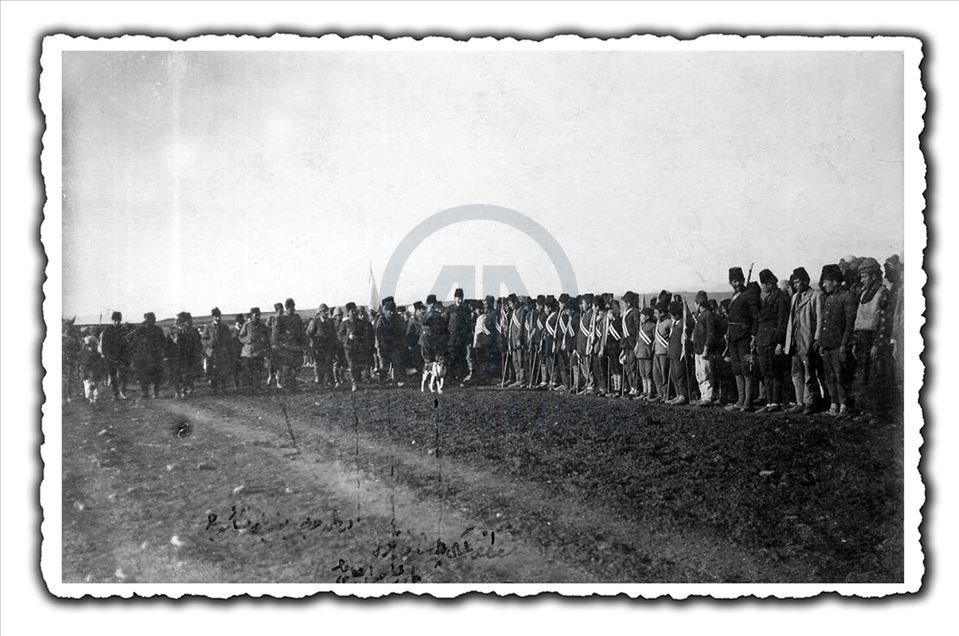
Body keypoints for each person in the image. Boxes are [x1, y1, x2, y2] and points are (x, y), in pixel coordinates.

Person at [852, 257, 893, 414]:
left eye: (865, 276)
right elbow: (859, 319)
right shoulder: (863, 294)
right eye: (861, 277)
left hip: (875, 340)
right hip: (862, 340)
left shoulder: (883, 294)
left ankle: (878, 413)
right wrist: (855, 343)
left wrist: (877, 344)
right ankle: (866, 411)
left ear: (874, 276)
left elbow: (884, 322)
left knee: (876, 377)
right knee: (863, 376)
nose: (862, 280)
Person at [818, 264, 858, 417]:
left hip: (838, 345)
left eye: (827, 281)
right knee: (830, 377)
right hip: (828, 344)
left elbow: (849, 324)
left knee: (841, 376)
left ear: (835, 282)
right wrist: (822, 342)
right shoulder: (828, 298)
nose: (824, 284)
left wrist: (844, 345)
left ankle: (844, 406)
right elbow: (825, 323)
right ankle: (834, 405)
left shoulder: (847, 297)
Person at [784, 267, 824, 414]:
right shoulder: (794, 298)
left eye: (798, 282)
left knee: (809, 372)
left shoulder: (816, 296)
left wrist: (817, 338)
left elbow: (820, 319)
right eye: (793, 283)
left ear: (806, 281)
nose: (795, 285)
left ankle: (811, 402)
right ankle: (799, 401)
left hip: (807, 340)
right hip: (795, 341)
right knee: (796, 372)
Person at [755, 269, 790, 413]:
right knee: (766, 372)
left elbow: (782, 322)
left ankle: (775, 402)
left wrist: (779, 342)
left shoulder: (780, 298)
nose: (762, 287)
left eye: (764, 284)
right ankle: (769, 402)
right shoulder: (768, 298)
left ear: (770, 284)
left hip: (772, 340)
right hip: (763, 340)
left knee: (774, 372)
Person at [724, 267, 759, 412]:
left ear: (743, 280)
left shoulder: (749, 295)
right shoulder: (734, 296)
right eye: (733, 281)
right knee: (737, 369)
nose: (736, 284)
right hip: (733, 337)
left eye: (738, 281)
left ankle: (748, 402)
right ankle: (740, 400)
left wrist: (753, 335)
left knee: (746, 369)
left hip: (744, 337)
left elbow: (756, 317)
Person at [272, 298, 306, 392]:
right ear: (286, 308)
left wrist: (304, 343)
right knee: (287, 367)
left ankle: (293, 385)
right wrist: (277, 345)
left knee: (296, 367)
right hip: (285, 346)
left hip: (296, 346)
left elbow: (302, 331)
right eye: (290, 307)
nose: (292, 309)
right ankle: (287, 386)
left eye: (293, 307)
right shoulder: (281, 318)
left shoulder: (297, 317)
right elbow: (275, 333)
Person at [131, 312, 167, 399]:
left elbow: (163, 342)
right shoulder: (140, 329)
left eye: (151, 319)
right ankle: (145, 392)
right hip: (144, 355)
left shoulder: (158, 330)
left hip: (155, 355)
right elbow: (133, 339)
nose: (150, 321)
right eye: (148, 319)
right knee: (143, 375)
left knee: (156, 375)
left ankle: (155, 392)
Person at [169, 312, 203, 398]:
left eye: (178, 320)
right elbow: (168, 343)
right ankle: (178, 391)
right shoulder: (173, 330)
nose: (176, 322)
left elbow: (197, 344)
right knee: (176, 374)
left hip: (188, 356)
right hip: (176, 356)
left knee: (186, 374)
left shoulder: (192, 331)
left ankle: (185, 389)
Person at [691, 291, 717, 406]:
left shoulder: (708, 315)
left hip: (704, 349)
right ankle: (703, 396)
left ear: (698, 303)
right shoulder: (700, 315)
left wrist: (706, 348)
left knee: (706, 373)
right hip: (698, 349)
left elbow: (711, 334)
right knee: (699, 374)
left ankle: (708, 397)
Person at [239, 307, 270, 394]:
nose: (257, 317)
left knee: (258, 371)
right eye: (256, 315)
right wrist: (248, 339)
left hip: (258, 353)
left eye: (259, 315)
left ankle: (257, 388)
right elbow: (241, 337)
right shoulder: (247, 325)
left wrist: (263, 340)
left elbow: (267, 338)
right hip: (247, 353)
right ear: (252, 315)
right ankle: (248, 389)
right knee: (248, 372)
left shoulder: (262, 326)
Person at [98, 311, 128, 400]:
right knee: (113, 375)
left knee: (123, 375)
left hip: (122, 356)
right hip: (111, 356)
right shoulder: (107, 331)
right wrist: (105, 355)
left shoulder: (123, 330)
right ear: (112, 320)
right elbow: (103, 344)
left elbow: (127, 344)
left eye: (118, 320)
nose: (116, 322)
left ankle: (122, 392)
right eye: (115, 320)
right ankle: (115, 393)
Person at [204, 308, 233, 395]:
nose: (218, 318)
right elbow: (204, 339)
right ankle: (214, 389)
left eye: (219, 316)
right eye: (216, 316)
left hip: (222, 352)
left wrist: (226, 347)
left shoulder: (225, 327)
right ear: (213, 317)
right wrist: (210, 343)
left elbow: (229, 339)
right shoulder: (208, 327)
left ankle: (224, 388)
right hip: (212, 352)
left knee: (222, 370)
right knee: (213, 371)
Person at [665, 301, 689, 405]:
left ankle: (683, 395)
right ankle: (678, 394)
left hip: (679, 353)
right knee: (674, 375)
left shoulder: (682, 325)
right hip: (672, 353)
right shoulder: (674, 324)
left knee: (680, 375)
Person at [338, 302, 365, 392]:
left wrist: (359, 338)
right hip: (348, 348)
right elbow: (339, 335)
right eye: (352, 311)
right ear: (348, 313)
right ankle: (354, 383)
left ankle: (357, 380)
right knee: (352, 365)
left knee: (358, 365)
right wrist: (347, 338)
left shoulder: (361, 323)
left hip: (359, 348)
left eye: (355, 310)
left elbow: (365, 335)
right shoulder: (345, 323)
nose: (354, 312)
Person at [447, 288, 473, 383]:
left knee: (461, 359)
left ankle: (460, 379)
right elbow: (445, 323)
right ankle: (450, 379)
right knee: (451, 359)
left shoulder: (466, 310)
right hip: (452, 339)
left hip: (462, 339)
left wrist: (468, 338)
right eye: (457, 297)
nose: (459, 299)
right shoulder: (450, 309)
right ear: (454, 298)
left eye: (460, 297)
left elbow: (469, 325)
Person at [651, 299, 672, 403]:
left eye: (656, 313)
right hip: (657, 352)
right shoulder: (658, 322)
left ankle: (666, 394)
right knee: (656, 374)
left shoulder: (668, 322)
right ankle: (660, 394)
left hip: (664, 352)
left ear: (662, 313)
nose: (654, 315)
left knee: (664, 374)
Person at [635, 306, 657, 400]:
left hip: (648, 353)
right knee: (642, 373)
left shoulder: (652, 326)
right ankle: (644, 392)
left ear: (647, 317)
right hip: (640, 353)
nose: (640, 318)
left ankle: (649, 392)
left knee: (648, 373)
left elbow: (655, 339)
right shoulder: (642, 326)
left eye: (642, 316)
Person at [506, 294, 527, 388]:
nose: (509, 306)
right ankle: (518, 379)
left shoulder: (522, 311)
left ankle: (522, 379)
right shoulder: (513, 312)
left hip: (519, 341)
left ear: (515, 302)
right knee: (515, 361)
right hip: (513, 340)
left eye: (510, 303)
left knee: (520, 360)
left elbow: (521, 326)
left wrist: (519, 338)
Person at [78, 335, 106, 404]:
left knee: (97, 387)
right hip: (88, 373)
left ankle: (95, 399)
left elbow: (101, 364)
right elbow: (82, 364)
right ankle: (91, 400)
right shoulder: (83, 353)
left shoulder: (97, 354)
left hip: (96, 372)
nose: (90, 347)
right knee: (89, 388)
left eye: (92, 345)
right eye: (88, 345)